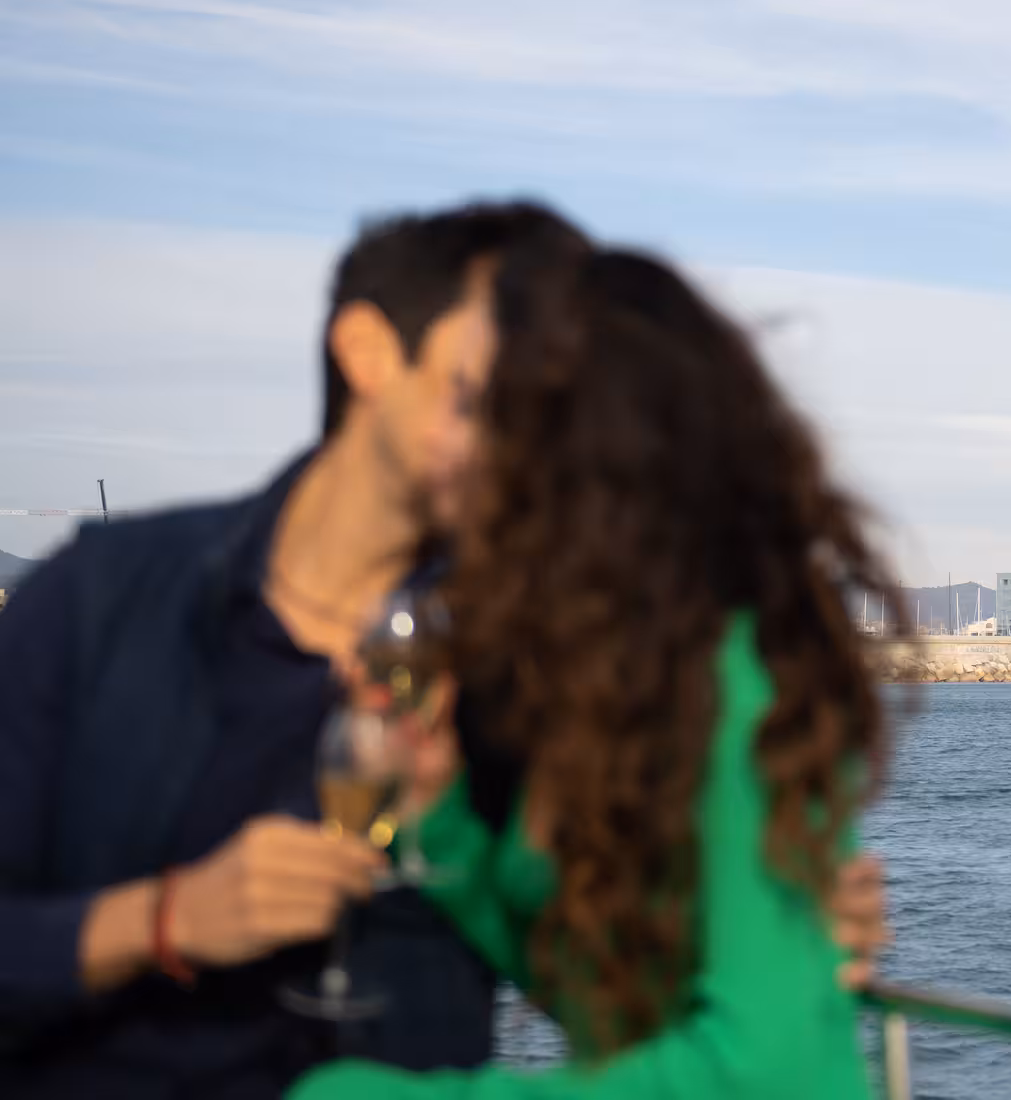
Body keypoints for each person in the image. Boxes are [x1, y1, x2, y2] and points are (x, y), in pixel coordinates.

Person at [0, 203, 890, 1097]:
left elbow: (647, 996)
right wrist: (161, 921)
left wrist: (763, 930)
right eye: (489, 377)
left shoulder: (551, 651)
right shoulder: (99, 600)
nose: (517, 416)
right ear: (369, 353)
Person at [290, 247, 908, 1099]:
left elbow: (769, 1069)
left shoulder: (735, 672)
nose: (453, 440)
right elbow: (599, 996)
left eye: (482, 406)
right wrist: (442, 818)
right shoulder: (617, 672)